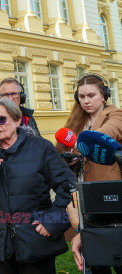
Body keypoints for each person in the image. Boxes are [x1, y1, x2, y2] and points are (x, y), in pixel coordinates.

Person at [0, 98, 75, 273]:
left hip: (36, 242)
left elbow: (69, 188)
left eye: (1, 119)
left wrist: (52, 222)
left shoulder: (41, 148)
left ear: (17, 120)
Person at [57, 74, 122, 273]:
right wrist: (69, 160)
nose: (86, 101)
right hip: (83, 200)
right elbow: (58, 154)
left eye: (91, 95)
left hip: (111, 197)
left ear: (103, 96)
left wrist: (85, 142)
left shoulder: (116, 114)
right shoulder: (75, 122)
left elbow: (109, 132)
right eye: (81, 97)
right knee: (94, 260)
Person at [0, 77, 40, 143]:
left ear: (21, 96)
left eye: (14, 94)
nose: (10, 98)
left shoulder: (28, 116)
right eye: (5, 95)